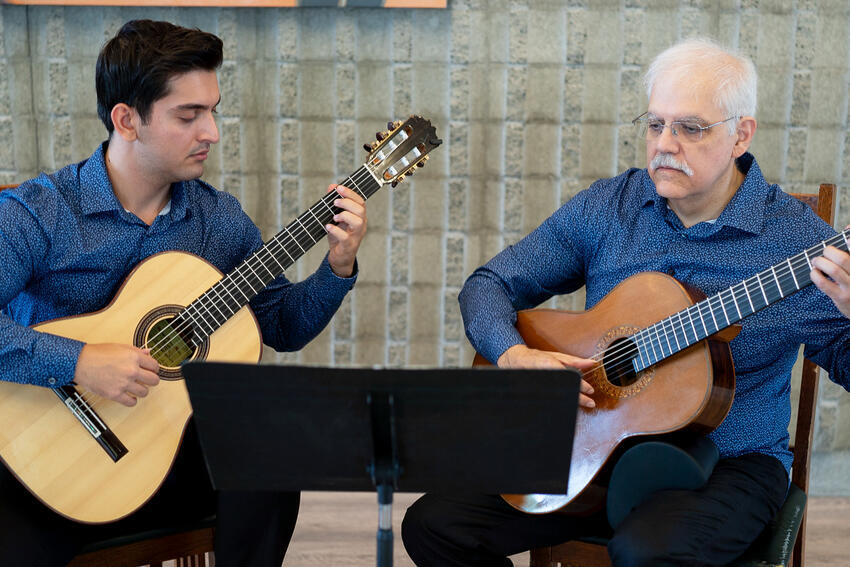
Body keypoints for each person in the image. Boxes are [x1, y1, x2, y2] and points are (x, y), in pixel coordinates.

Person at [402, 38, 850, 566]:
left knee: (646, 552)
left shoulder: (798, 245)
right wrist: (515, 356)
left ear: (740, 135)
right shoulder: (609, 207)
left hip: (726, 466)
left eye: (690, 127)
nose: (665, 144)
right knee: (436, 525)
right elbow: (488, 285)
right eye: (655, 124)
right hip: (593, 445)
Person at [0, 20, 367, 566]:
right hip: (45, 462)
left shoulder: (218, 220)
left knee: (273, 450)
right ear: (127, 119)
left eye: (213, 110)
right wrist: (79, 360)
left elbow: (280, 326)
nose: (212, 132)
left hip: (163, 455)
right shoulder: (39, 212)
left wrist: (337, 268)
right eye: (188, 115)